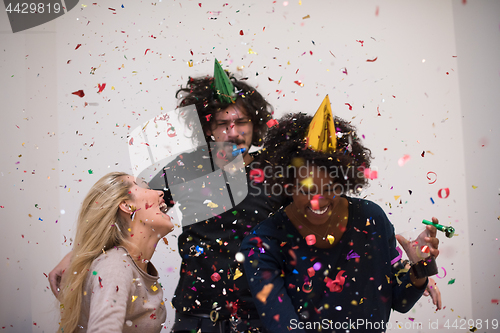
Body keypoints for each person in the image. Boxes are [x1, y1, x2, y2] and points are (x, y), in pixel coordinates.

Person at [50, 60, 288, 332]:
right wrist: (77, 255)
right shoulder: (188, 167)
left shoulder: (274, 171)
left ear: (254, 125)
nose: (233, 133)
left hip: (260, 316)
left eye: (241, 122)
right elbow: (129, 207)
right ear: (208, 128)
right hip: (197, 316)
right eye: (223, 124)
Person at [240, 99, 441, 332]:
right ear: (288, 185)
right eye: (307, 190)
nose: (318, 200)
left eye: (329, 188)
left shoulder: (370, 219)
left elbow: (400, 301)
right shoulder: (262, 244)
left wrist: (420, 267)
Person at [57, 172, 174, 333]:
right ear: (127, 205)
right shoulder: (115, 266)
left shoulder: (130, 266)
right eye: (145, 187)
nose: (161, 193)